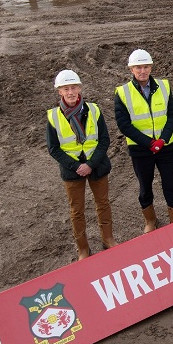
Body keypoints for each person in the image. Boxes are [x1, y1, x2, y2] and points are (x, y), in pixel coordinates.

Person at [47, 69, 115, 259]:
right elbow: (54, 149)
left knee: (103, 204)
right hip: (72, 171)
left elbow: (104, 140)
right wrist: (76, 166)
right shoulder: (53, 117)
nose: (70, 92)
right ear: (60, 91)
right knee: (77, 211)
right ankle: (83, 249)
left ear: (79, 88)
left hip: (97, 166)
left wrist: (90, 164)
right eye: (66, 89)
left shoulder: (93, 110)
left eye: (73, 87)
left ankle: (108, 239)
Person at [114, 49, 173, 232]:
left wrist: (163, 139)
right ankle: (150, 220)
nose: (142, 71)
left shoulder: (164, 86)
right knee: (145, 186)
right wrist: (149, 143)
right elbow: (124, 125)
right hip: (141, 150)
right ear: (131, 69)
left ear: (151, 67)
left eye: (145, 67)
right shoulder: (123, 93)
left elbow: (172, 115)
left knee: (170, 184)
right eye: (138, 67)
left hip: (165, 147)